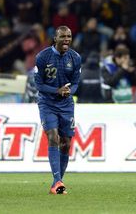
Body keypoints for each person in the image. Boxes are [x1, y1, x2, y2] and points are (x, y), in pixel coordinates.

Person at [34, 25, 81, 195]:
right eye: (63, 36)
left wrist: (70, 91)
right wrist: (56, 91)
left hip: (66, 105)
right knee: (53, 136)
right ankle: (57, 182)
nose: (67, 39)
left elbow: (75, 83)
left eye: (69, 36)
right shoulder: (42, 57)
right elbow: (38, 84)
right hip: (47, 103)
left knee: (66, 143)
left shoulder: (75, 58)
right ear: (55, 38)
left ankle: (58, 180)